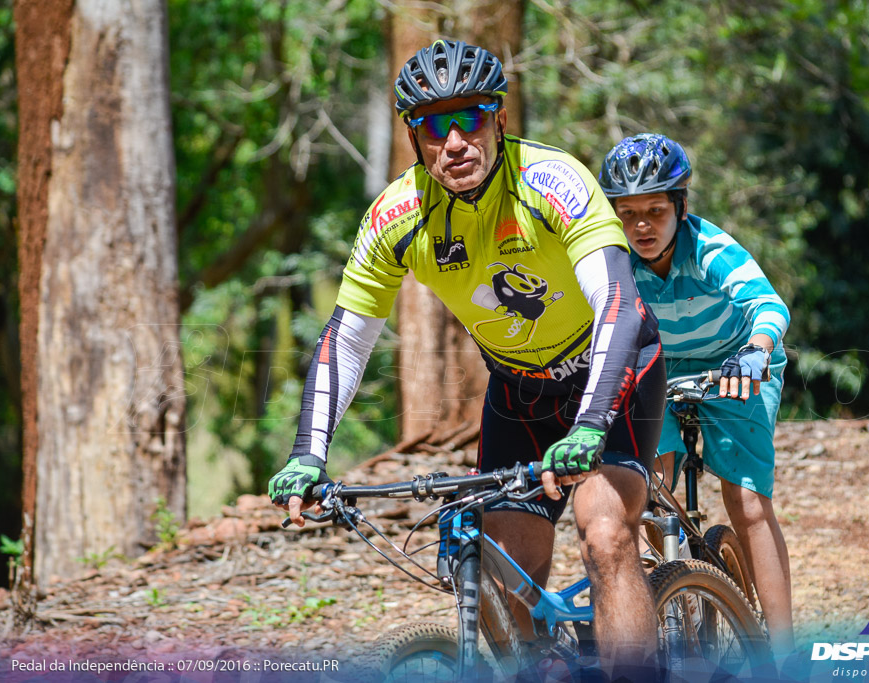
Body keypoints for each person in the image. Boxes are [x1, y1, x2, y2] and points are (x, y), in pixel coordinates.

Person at [268, 40, 666, 673]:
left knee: (605, 532)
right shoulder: (397, 218)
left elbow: (619, 306)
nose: (454, 140)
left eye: (470, 118)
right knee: (506, 573)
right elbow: (345, 339)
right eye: (432, 124)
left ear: (499, 121)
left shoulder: (551, 180)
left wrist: (590, 425)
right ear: (412, 137)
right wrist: (307, 455)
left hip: (612, 373)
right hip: (520, 392)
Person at [599, 133, 796, 656]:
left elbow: (770, 307)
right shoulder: (615, 260)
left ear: (680, 207)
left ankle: (780, 653)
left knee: (747, 499)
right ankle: (670, 596)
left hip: (738, 360)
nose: (641, 225)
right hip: (660, 364)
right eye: (628, 212)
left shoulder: (710, 248)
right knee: (644, 484)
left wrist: (755, 352)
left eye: (656, 211)